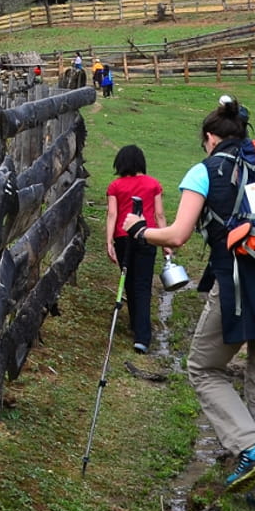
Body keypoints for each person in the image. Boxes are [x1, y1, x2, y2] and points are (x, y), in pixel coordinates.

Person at [121, 95, 255, 511]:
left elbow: (176, 236)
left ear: (210, 138)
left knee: (204, 368)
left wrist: (140, 230)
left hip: (238, 282)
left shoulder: (205, 170)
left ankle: (249, 446)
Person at [102, 145, 165, 354]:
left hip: (123, 238)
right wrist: (165, 241)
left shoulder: (115, 186)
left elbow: (112, 214)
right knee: (142, 283)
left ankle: (135, 324)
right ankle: (142, 336)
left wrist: (109, 241)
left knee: (127, 279)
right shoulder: (153, 184)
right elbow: (159, 214)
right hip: (148, 236)